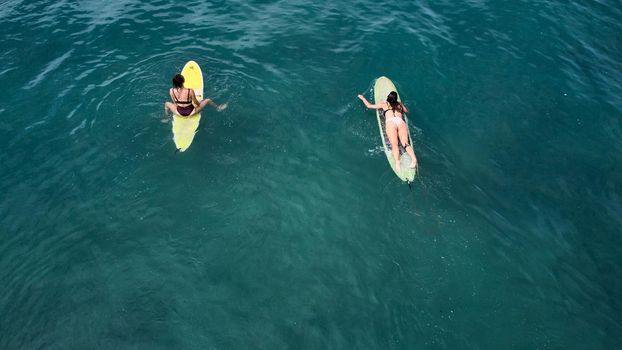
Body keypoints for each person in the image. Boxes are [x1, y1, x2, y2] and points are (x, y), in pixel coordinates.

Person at [358, 91, 417, 171]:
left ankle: (397, 162)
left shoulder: (384, 104)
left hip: (391, 123)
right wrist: (401, 106)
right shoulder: (399, 104)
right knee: (405, 143)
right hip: (400, 121)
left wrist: (362, 98)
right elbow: (407, 111)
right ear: (396, 99)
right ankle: (414, 160)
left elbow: (369, 106)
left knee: (394, 144)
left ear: (388, 99)